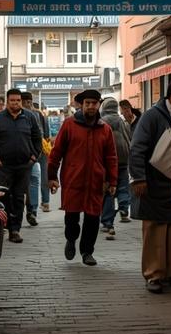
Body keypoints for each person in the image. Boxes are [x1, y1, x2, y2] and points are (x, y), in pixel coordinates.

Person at [129, 78, 171, 293]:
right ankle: (154, 274)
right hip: (152, 183)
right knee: (155, 230)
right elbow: (137, 148)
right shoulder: (151, 116)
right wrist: (139, 178)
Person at [47, 89, 117, 266]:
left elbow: (111, 157)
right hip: (73, 179)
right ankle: (71, 239)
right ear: (82, 105)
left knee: (93, 218)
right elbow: (56, 152)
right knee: (71, 216)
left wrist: (112, 181)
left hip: (96, 181)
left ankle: (87, 252)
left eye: (94, 103)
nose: (91, 106)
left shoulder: (105, 129)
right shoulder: (69, 125)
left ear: (99, 105)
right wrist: (52, 176)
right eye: (88, 103)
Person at [0, 88, 43, 243]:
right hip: (4, 166)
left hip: (24, 165)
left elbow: (38, 138)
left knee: (18, 197)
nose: (15, 103)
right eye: (12, 100)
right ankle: (6, 225)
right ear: (7, 101)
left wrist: (34, 156)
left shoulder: (29, 117)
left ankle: (15, 230)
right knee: (5, 196)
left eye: (18, 100)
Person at [98, 98, 134, 239]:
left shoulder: (101, 122)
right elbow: (129, 137)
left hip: (108, 160)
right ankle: (124, 208)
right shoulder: (121, 121)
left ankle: (107, 222)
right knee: (123, 184)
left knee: (108, 190)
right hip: (124, 158)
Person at [21, 91, 52, 223]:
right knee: (40, 177)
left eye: (27, 102)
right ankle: (43, 203)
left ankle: (33, 209)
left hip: (31, 152)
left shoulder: (24, 114)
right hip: (40, 150)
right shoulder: (40, 114)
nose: (27, 104)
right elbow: (47, 134)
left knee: (32, 180)